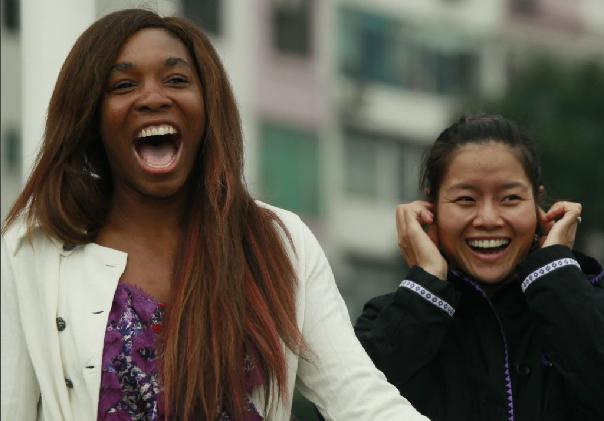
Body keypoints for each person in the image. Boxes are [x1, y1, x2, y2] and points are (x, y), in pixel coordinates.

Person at [0, 8, 427, 421]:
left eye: (176, 79)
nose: (153, 97)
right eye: (123, 86)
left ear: (209, 107)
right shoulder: (32, 252)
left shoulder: (278, 242)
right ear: (91, 118)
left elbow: (361, 401)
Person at [355, 115, 604, 421]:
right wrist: (428, 281)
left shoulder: (588, 302)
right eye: (465, 199)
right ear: (431, 209)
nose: (488, 219)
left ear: (539, 205)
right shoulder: (386, 319)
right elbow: (340, 410)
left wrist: (555, 269)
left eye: (510, 199)